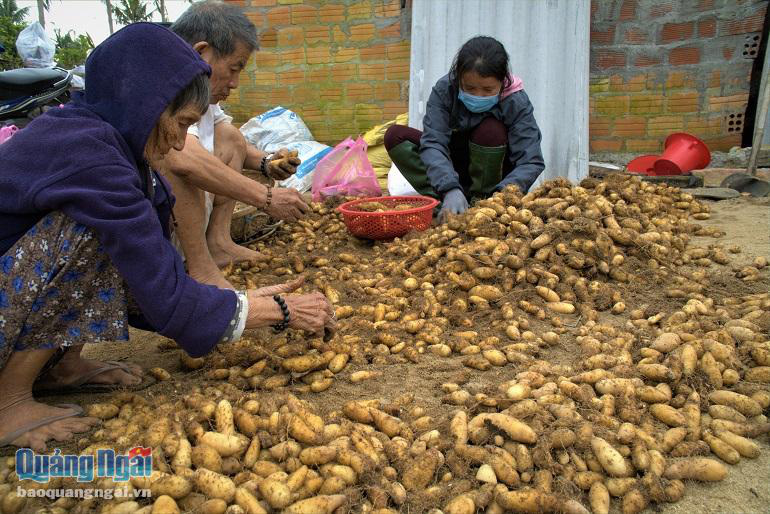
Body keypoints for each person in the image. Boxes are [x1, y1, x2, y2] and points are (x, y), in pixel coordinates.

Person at [0, 23, 335, 452]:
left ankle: (61, 367)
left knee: (112, 235)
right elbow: (160, 290)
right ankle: (8, 401)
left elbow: (153, 279)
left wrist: (245, 304)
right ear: (144, 105)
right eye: (180, 123)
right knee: (87, 231)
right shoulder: (86, 152)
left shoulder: (113, 146)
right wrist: (276, 311)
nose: (179, 143)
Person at [163, 0, 308, 290]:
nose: (235, 83)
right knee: (179, 160)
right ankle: (200, 266)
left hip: (183, 219)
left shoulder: (201, 93)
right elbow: (181, 158)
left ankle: (218, 242)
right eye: (234, 68)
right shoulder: (165, 87)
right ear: (201, 53)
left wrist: (267, 163)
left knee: (229, 135)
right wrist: (265, 197)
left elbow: (229, 141)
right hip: (156, 227)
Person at [384, 36, 545, 221]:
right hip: (454, 165)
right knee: (395, 136)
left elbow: (531, 160)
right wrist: (449, 188)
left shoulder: (515, 101)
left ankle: (482, 204)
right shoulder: (445, 91)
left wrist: (503, 195)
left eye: (488, 90)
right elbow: (434, 143)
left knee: (490, 130)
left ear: (503, 82)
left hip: (495, 173)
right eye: (469, 88)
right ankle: (446, 202)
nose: (478, 95)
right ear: (459, 77)